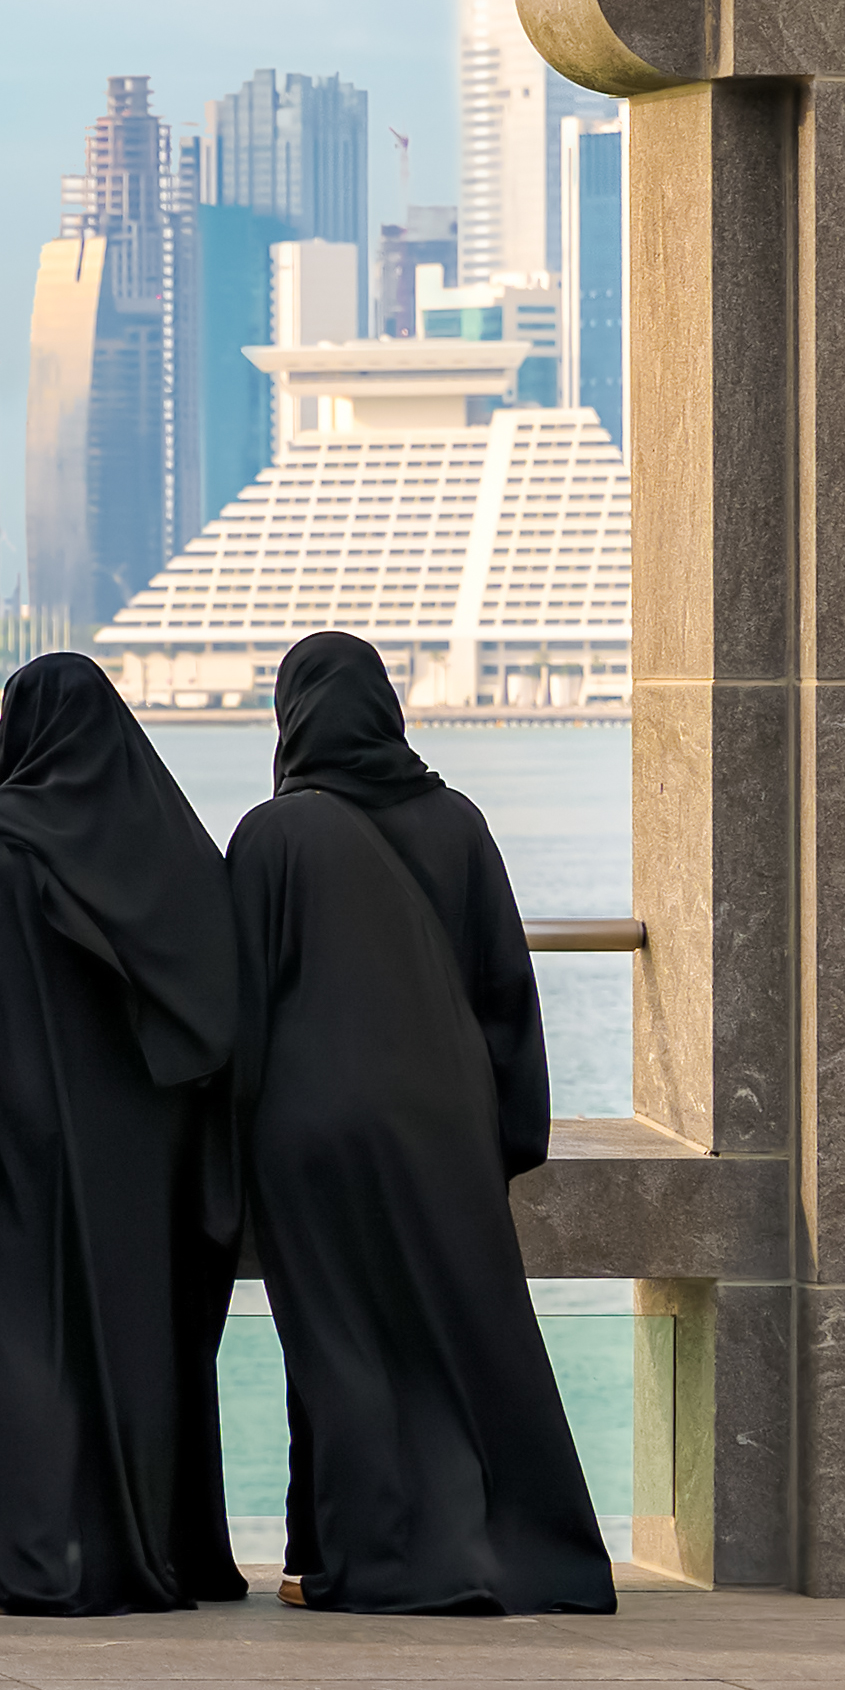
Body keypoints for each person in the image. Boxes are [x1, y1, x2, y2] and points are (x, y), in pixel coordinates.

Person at [224, 630, 617, 1616]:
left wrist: (226, 1140)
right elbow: (503, 992)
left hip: (308, 1133)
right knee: (460, 1335)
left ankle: (342, 1555)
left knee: (334, 1341)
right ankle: (490, 1545)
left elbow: (237, 1006)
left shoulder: (271, 836)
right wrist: (501, 1134)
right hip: (442, 1130)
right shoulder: (458, 823)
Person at [0, 649, 245, 1614]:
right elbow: (216, 1001)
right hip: (145, 1159)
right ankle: (153, 1546)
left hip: (6, 1149)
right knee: (139, 1348)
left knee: (19, 1349)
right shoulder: (175, 850)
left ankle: (40, 1552)